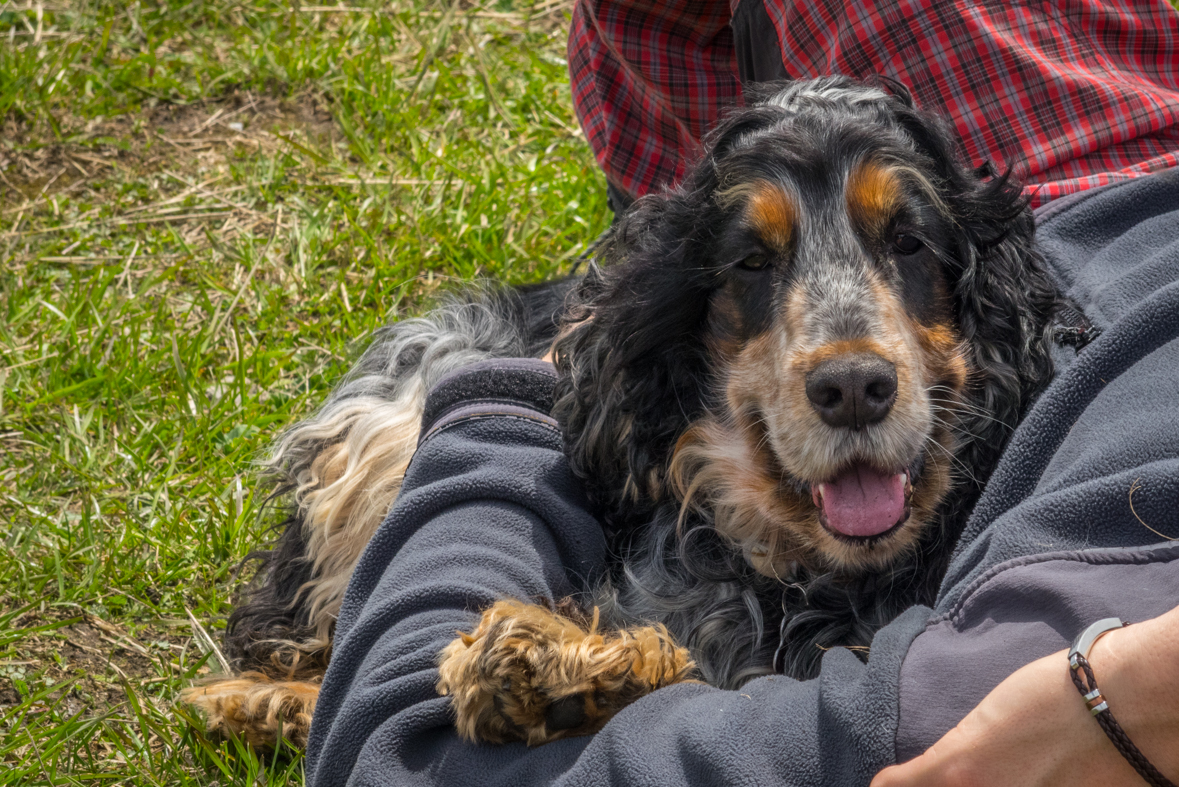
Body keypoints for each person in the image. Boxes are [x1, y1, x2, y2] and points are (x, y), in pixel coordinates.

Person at [304, 1, 1179, 784]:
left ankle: (314, 650)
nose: (848, 364)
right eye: (756, 266)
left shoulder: (961, 693)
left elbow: (401, 751)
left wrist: (498, 404)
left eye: (905, 250)